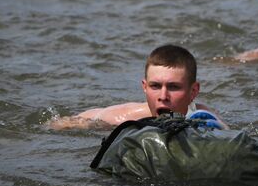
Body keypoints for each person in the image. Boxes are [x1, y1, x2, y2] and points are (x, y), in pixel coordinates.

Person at [50, 45, 227, 130]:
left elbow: (229, 135)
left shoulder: (205, 118)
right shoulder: (125, 118)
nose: (163, 96)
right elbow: (62, 123)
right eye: (155, 86)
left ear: (193, 91)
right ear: (144, 87)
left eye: (173, 87)